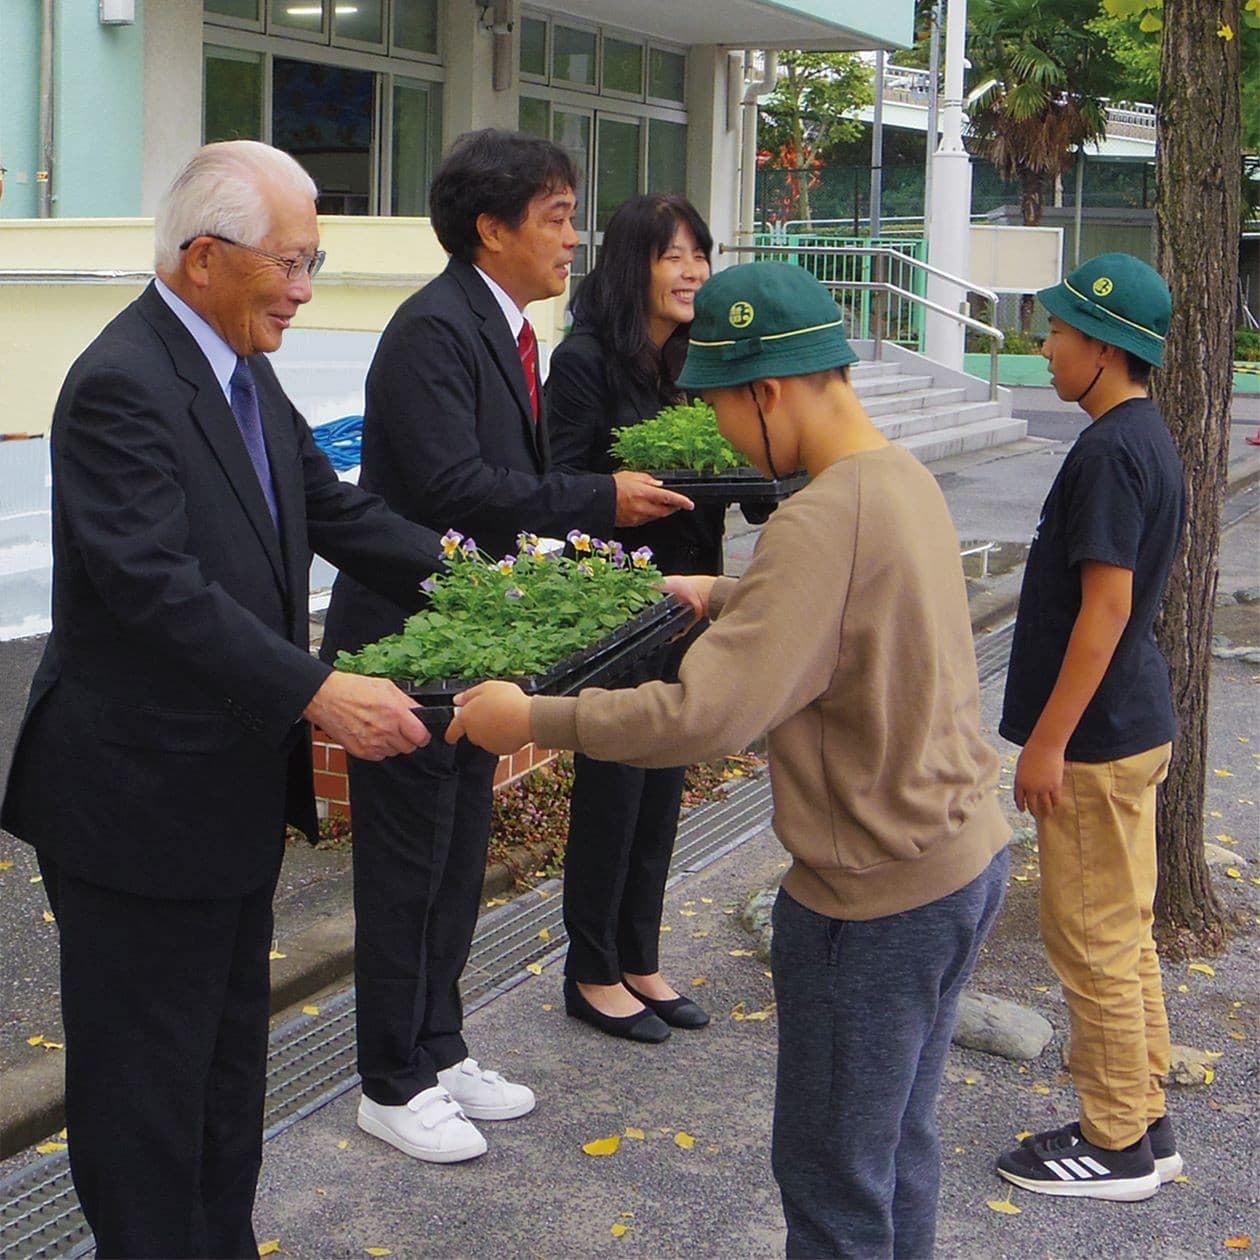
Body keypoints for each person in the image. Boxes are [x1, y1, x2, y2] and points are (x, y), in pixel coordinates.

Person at [447, 261, 1011, 1258]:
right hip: (962, 862)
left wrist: (532, 714)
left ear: (768, 389)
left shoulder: (816, 524)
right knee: (895, 1150)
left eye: (719, 407)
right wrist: (732, 593)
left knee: (834, 1184)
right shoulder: (896, 479)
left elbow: (705, 717)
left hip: (870, 905)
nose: (721, 435)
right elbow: (850, 621)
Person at [0, 140, 447, 1259]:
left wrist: (492, 577)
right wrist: (319, 690)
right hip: (135, 799)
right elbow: (158, 591)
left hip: (227, 789)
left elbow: (331, 510)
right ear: (204, 257)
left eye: (314, 260)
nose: (305, 289)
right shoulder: (120, 382)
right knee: (148, 1084)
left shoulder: (240, 368)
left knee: (225, 1059)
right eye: (290, 264)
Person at [319, 129, 692, 1164]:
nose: (576, 238)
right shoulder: (434, 331)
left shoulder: (505, 331)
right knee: (406, 868)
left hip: (474, 639)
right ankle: (389, 1080)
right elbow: (449, 494)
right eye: (559, 216)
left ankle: (439, 1049)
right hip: (410, 638)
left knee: (455, 858)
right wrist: (598, 496)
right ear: (492, 229)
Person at [994, 253, 1187, 1203]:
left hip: (1098, 739)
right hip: (1130, 722)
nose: (1046, 347)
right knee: (1126, 930)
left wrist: (1046, 741)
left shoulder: (1112, 449)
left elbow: (1103, 609)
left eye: (1059, 333)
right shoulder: (1145, 435)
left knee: (1091, 939)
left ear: (1106, 349)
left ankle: (1115, 1148)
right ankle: (1142, 1118)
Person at [545, 193, 722, 1043]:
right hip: (616, 601)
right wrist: (622, 507)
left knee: (664, 782)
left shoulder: (699, 360)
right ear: (632, 265)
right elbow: (558, 486)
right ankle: (591, 971)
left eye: (699, 254)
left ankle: (639, 957)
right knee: (613, 783)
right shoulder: (583, 363)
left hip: (694, 596)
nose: (692, 271)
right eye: (672, 254)